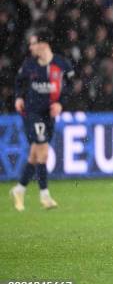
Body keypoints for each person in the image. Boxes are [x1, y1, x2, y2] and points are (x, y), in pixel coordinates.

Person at [10, 30, 75, 211]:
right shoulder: (29, 64)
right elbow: (19, 82)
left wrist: (61, 104)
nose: (30, 47)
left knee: (35, 154)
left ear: (43, 44)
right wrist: (18, 97)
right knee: (43, 151)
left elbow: (70, 87)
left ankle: (19, 189)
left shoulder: (61, 64)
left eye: (33, 43)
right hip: (32, 113)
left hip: (49, 114)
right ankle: (45, 195)